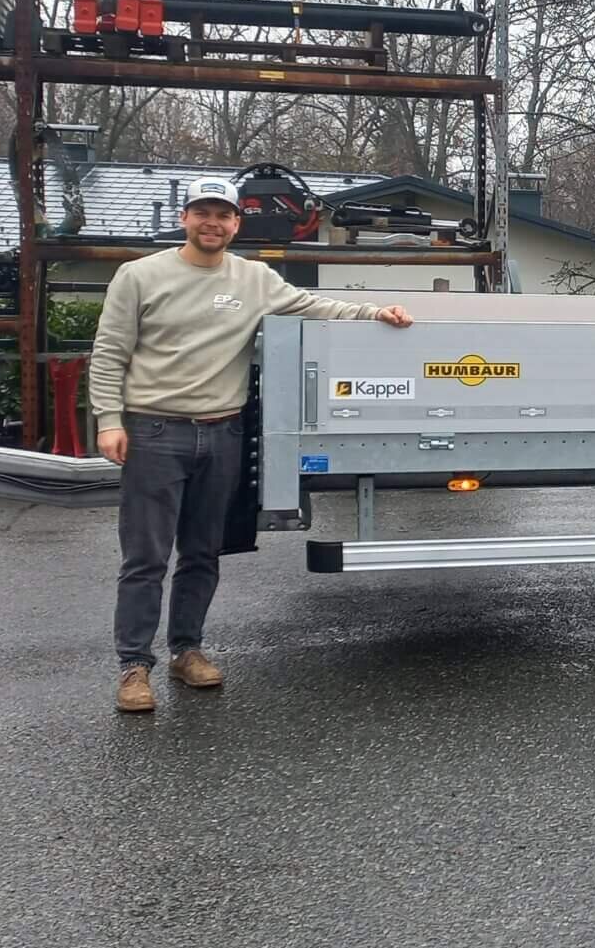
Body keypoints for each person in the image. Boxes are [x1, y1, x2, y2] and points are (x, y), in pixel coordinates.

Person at [88, 174, 414, 713]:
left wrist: (373, 312)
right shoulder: (140, 276)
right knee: (145, 557)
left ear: (237, 223)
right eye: (202, 213)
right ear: (184, 219)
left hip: (223, 432)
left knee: (201, 552)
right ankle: (133, 666)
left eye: (223, 215)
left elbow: (314, 306)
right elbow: (109, 353)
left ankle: (186, 650)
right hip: (155, 430)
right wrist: (108, 420)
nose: (212, 223)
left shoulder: (254, 278)